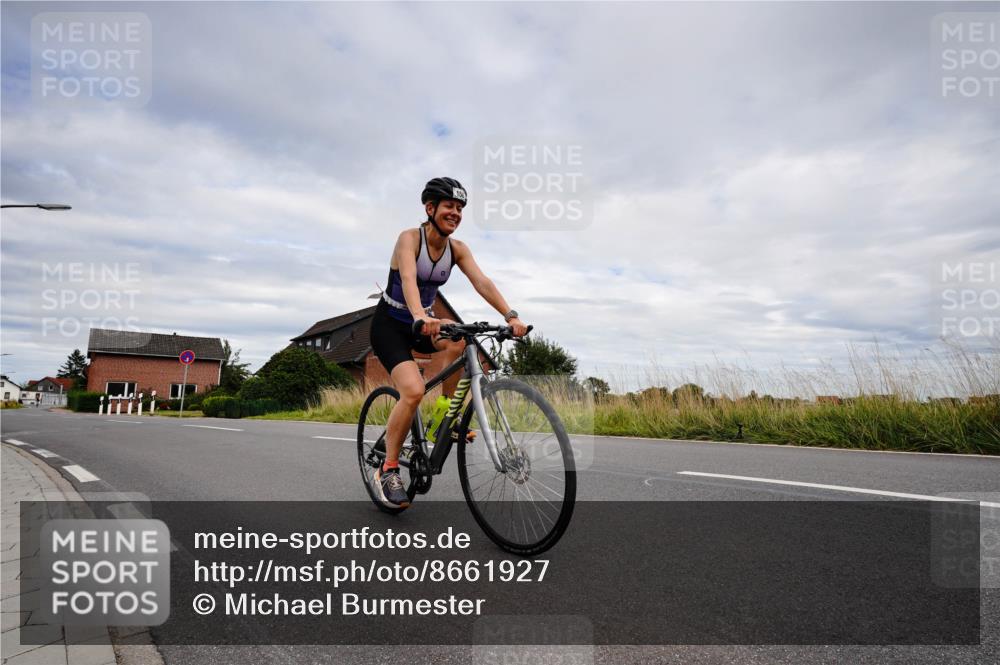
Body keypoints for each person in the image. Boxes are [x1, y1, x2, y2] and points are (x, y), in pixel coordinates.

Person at [368, 177, 529, 508]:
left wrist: (511, 316)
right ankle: (388, 469)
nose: (455, 213)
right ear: (430, 209)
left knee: (460, 340)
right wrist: (420, 315)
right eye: (449, 207)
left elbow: (481, 281)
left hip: (423, 322)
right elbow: (409, 279)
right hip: (392, 324)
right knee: (412, 391)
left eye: (459, 209)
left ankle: (443, 420)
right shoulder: (410, 239)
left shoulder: (457, 249)